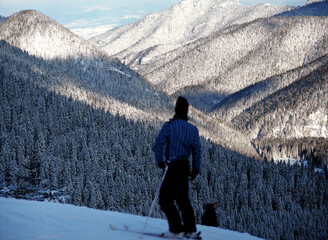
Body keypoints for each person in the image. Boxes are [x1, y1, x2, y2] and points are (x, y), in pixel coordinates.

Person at [153, 96, 202, 239]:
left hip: (171, 166)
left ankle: (176, 229)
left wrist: (160, 162)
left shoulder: (169, 126)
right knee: (183, 200)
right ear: (186, 111)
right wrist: (195, 169)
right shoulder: (193, 130)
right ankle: (190, 229)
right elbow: (197, 151)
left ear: (175, 109)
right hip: (184, 167)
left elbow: (158, 145)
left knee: (165, 199)